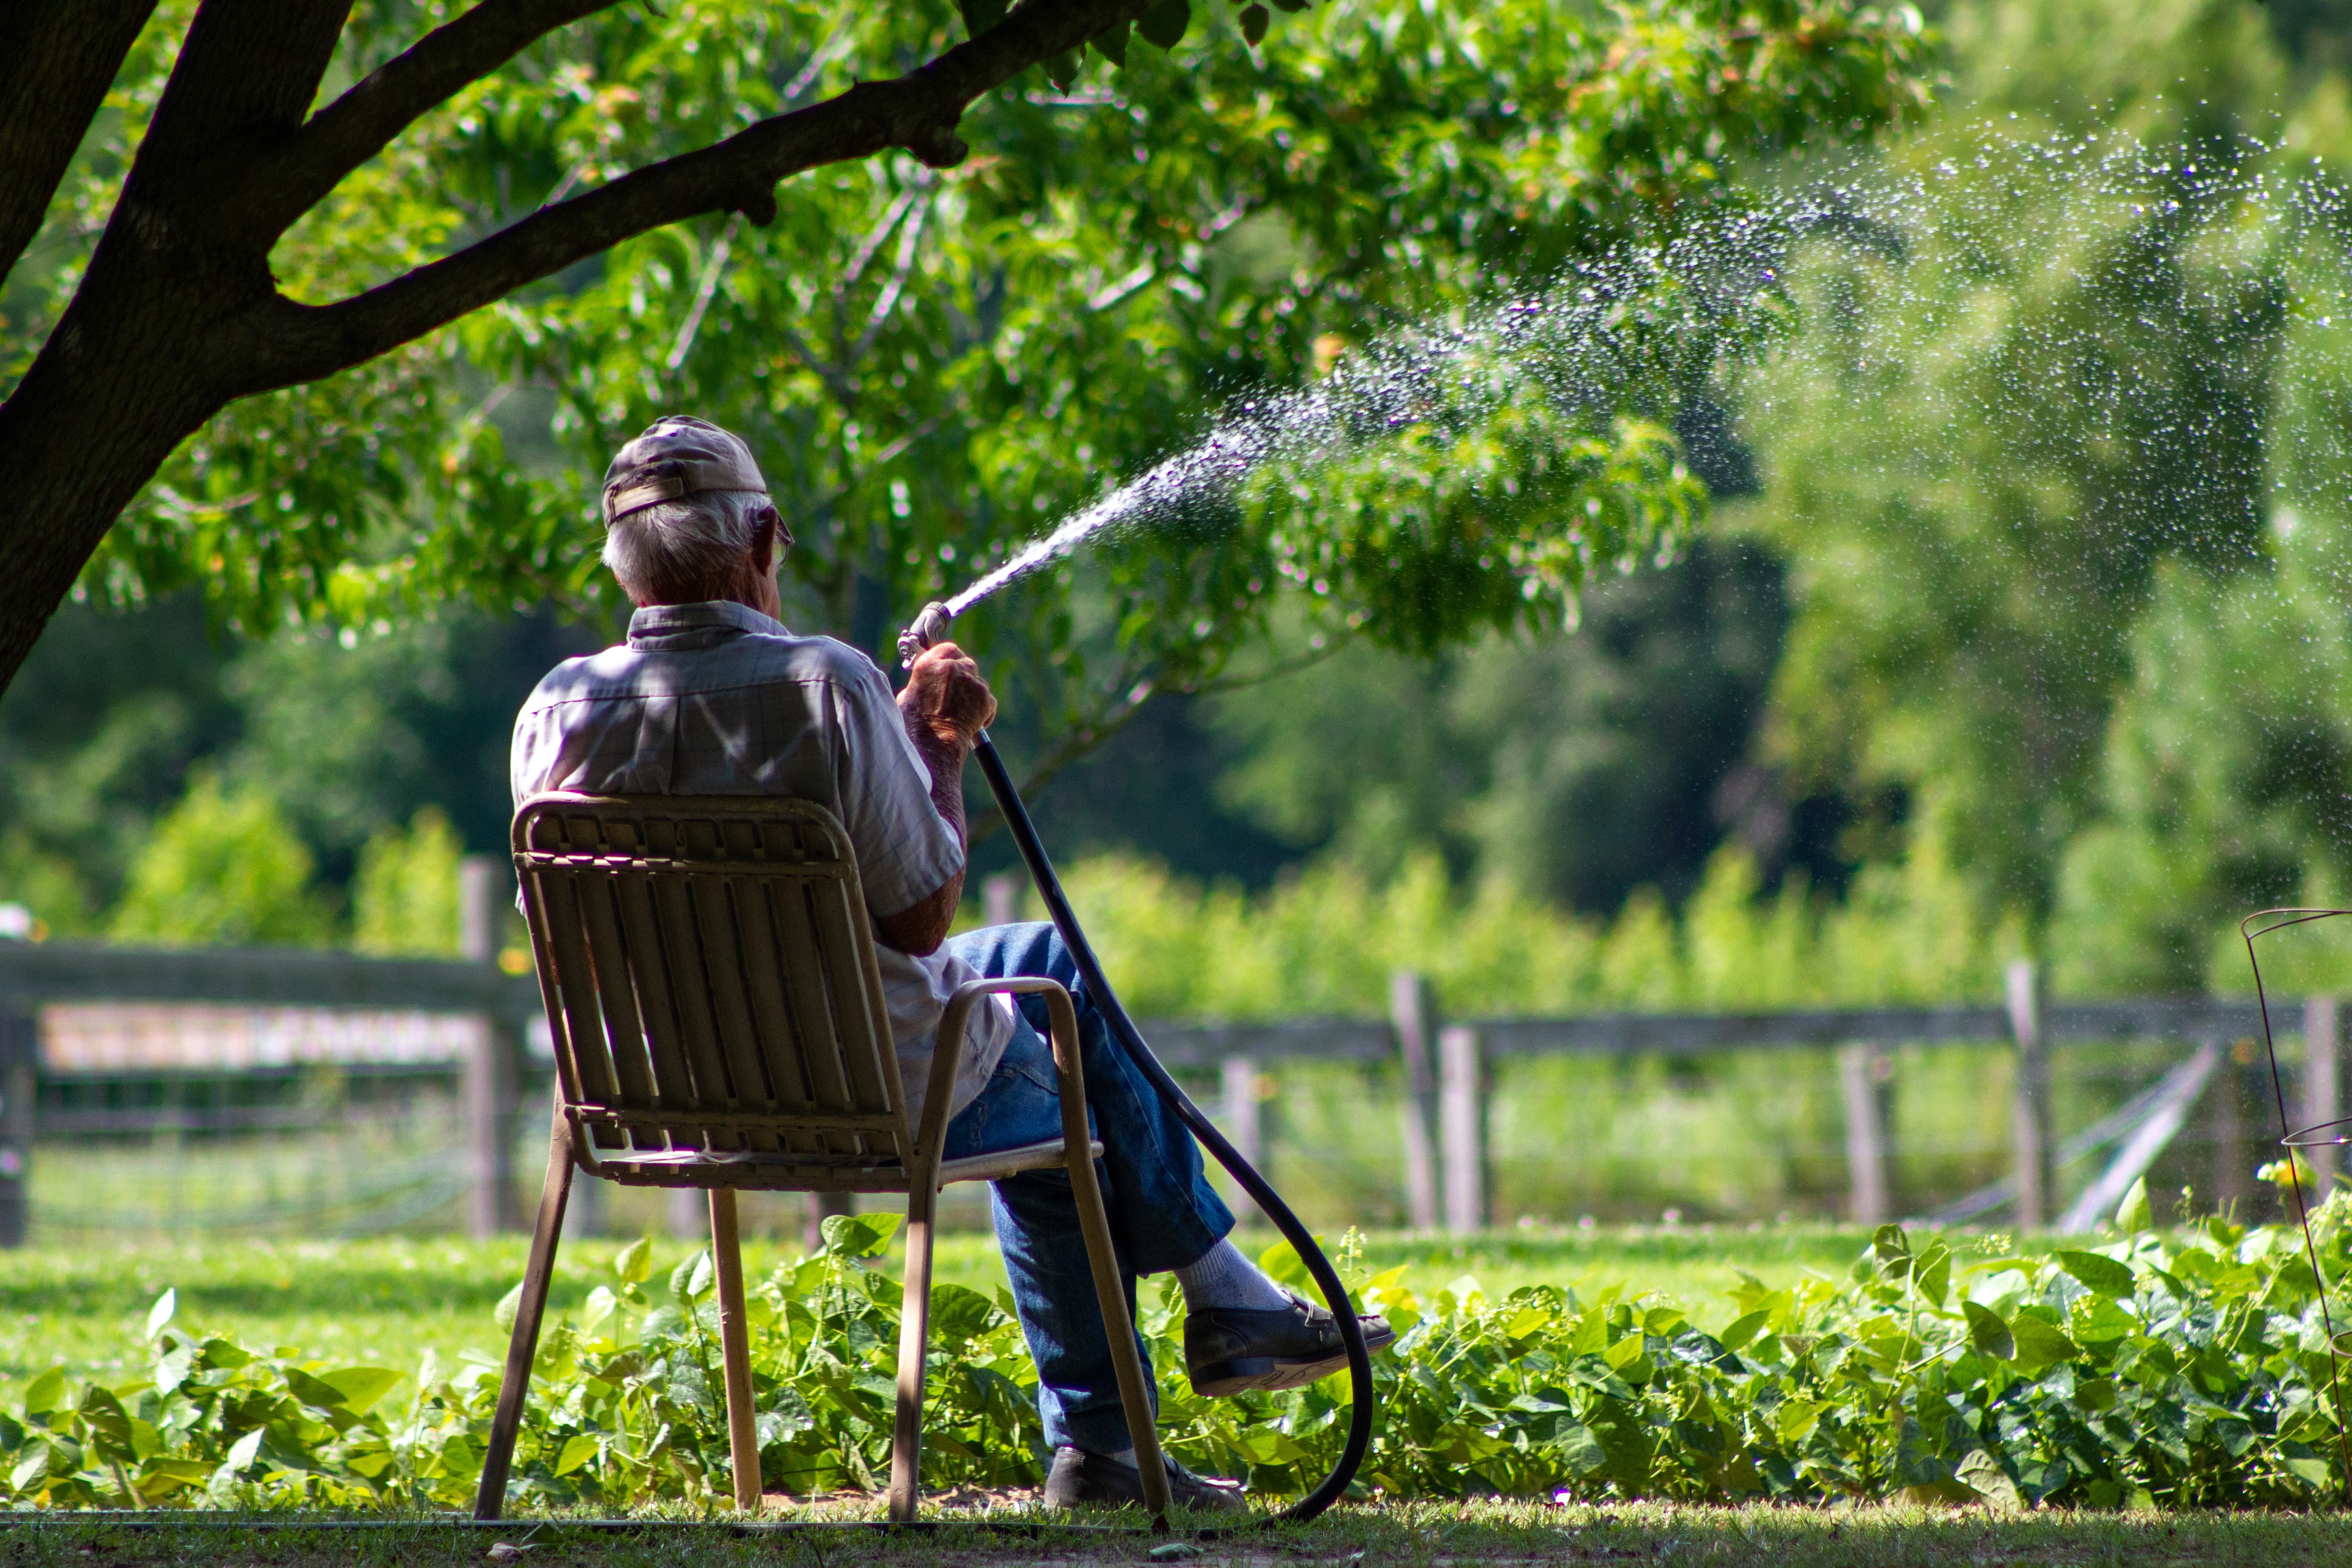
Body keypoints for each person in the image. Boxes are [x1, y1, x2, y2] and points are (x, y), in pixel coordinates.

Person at [511, 416, 1393, 1512]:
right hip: (870, 1094)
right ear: (763, 538)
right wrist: (933, 747)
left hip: (655, 1098)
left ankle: (1220, 1308)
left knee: (1040, 960)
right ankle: (1147, 1390)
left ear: (620, 561)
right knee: (1060, 1072)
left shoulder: (557, 706)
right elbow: (923, 918)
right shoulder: (827, 686)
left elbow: (572, 936)